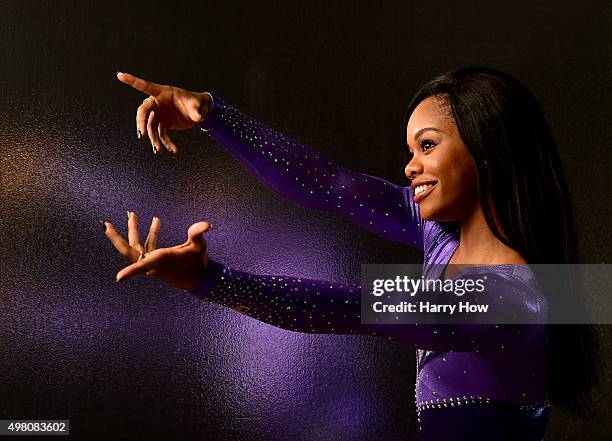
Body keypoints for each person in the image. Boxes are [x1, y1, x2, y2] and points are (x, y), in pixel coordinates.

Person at [102, 67, 598, 440]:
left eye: (427, 146)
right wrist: (211, 113)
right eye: (411, 151)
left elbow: (350, 307)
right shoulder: (442, 238)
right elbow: (328, 184)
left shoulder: (517, 300)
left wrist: (212, 280)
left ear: (489, 151)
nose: (410, 167)